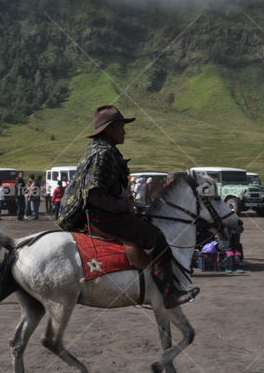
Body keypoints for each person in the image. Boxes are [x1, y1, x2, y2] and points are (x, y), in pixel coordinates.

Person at [57, 105, 198, 308]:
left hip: (104, 213)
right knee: (157, 238)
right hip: (102, 216)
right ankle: (169, 294)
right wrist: (124, 206)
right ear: (111, 129)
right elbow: (94, 195)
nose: (124, 131)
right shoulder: (103, 154)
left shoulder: (100, 150)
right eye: (121, 127)